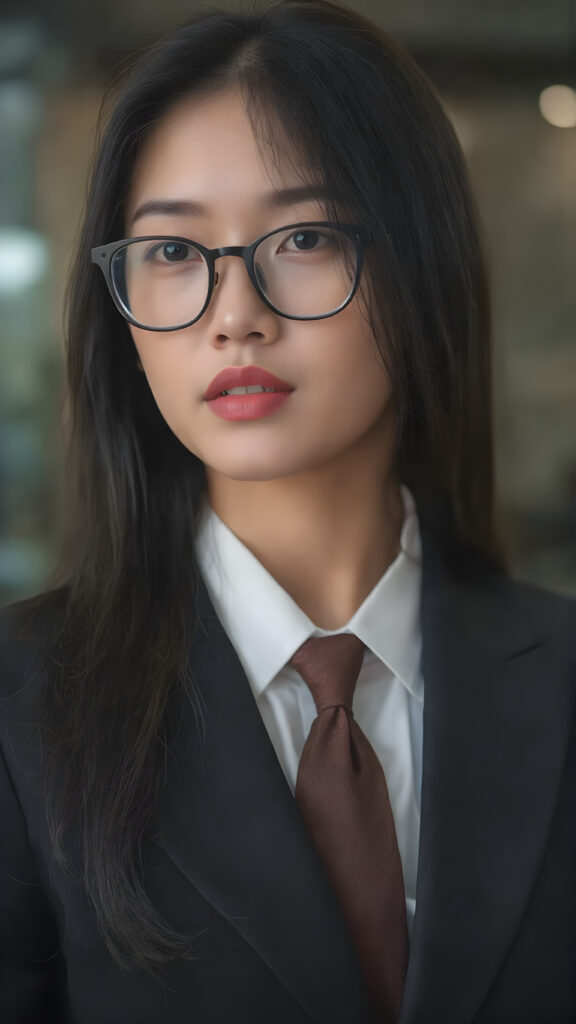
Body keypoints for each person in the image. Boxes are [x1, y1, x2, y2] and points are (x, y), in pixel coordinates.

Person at [1, 1, 574, 1021]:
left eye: (302, 236)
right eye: (173, 253)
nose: (234, 314)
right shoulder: (22, 707)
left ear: (421, 265)